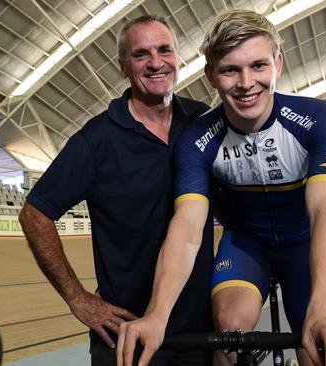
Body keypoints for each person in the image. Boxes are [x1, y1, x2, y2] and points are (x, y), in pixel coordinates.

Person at [117, 9, 326, 366]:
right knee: (228, 332)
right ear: (210, 75)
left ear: (278, 63)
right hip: (247, 245)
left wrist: (322, 310)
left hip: (303, 247)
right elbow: (186, 229)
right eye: (231, 69)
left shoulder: (319, 120)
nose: (246, 83)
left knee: (324, 351)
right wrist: (157, 314)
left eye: (258, 66)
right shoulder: (198, 139)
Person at [18, 15, 214, 366]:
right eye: (141, 54)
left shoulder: (203, 122)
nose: (155, 62)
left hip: (199, 332)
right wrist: (77, 298)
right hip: (126, 335)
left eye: (164, 50)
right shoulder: (97, 139)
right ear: (123, 66)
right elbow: (35, 214)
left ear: (178, 58)